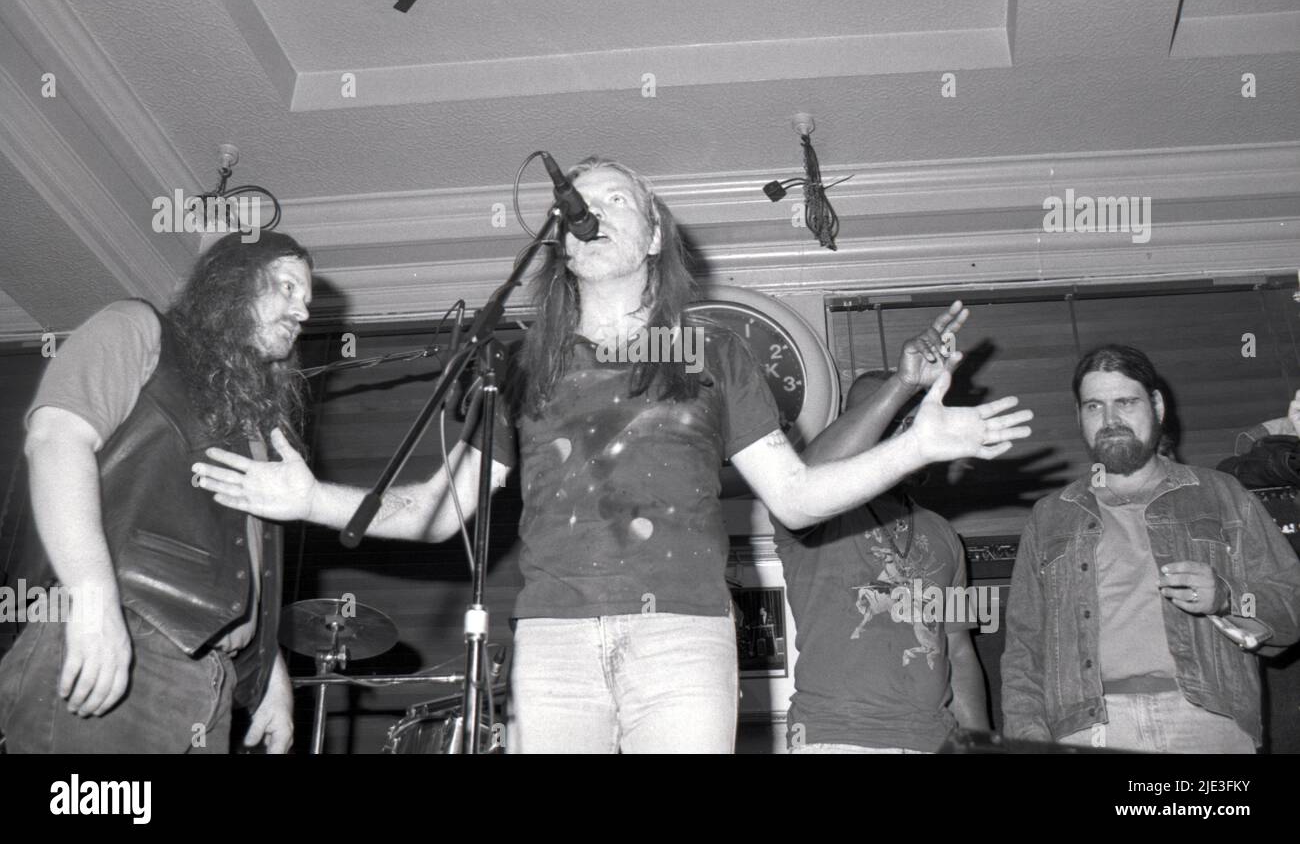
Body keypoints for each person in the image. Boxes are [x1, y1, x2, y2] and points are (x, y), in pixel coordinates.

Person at [193, 157, 1032, 753]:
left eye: (614, 201)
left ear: (656, 235)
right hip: (553, 642)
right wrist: (309, 501)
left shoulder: (708, 352)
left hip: (682, 636)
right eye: (576, 205)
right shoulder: (523, 364)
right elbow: (436, 510)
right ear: (560, 240)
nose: (587, 213)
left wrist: (917, 442)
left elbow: (801, 497)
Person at [0, 232, 309, 753]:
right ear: (232, 283)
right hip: (122, 639)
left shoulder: (253, 425)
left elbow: (242, 563)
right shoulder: (138, 328)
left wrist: (267, 669)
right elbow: (56, 439)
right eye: (288, 287)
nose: (302, 311)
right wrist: (94, 605)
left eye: (307, 300)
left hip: (212, 679)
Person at [1001, 344, 1300, 752]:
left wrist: (1228, 598)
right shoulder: (1050, 516)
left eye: (1125, 402)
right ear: (1079, 416)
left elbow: (1292, 603)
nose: (1110, 420)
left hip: (1205, 723)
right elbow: (1024, 652)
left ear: (1157, 405)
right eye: (1094, 407)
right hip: (1087, 729)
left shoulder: (1220, 494)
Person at [775, 303, 990, 753]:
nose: (895, 432)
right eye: (876, 421)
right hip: (836, 739)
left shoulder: (944, 534)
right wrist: (901, 384)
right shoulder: (813, 511)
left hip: (935, 741)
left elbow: (959, 650)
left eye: (904, 420)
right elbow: (804, 479)